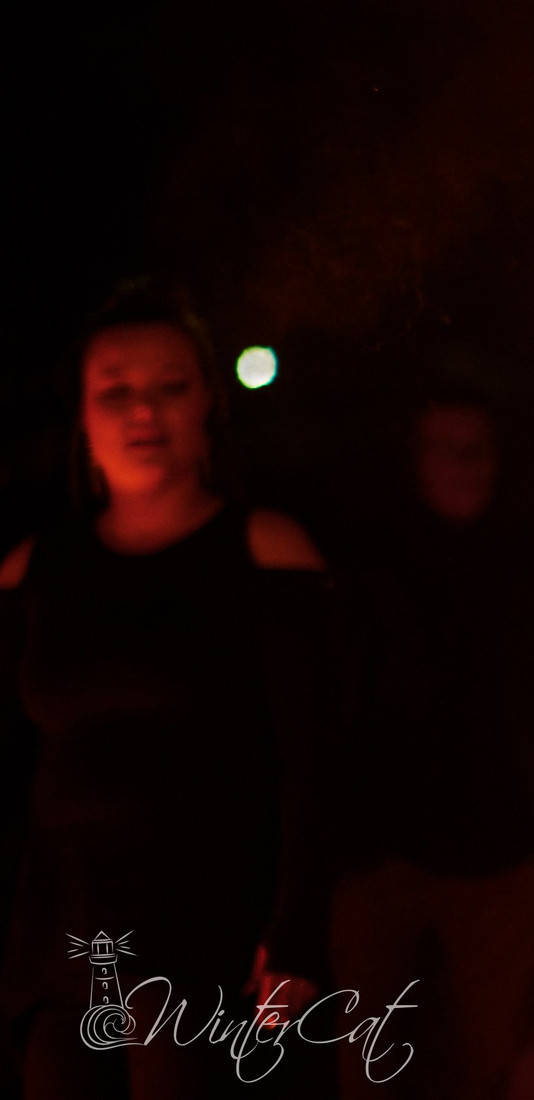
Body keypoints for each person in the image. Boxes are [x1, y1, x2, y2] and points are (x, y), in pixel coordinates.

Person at [0, 280, 333, 1097]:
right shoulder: (33, 570)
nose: (142, 410)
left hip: (206, 929)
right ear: (83, 414)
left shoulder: (263, 551)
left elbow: (318, 758)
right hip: (64, 933)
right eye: (116, 390)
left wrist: (295, 931)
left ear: (207, 405)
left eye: (169, 386)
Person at [332, 391, 534, 1099]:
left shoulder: (531, 563)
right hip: (378, 849)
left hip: (502, 850)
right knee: (367, 1057)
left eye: (476, 449)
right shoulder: (363, 568)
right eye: (442, 448)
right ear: (410, 460)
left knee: (489, 1064)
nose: (463, 466)